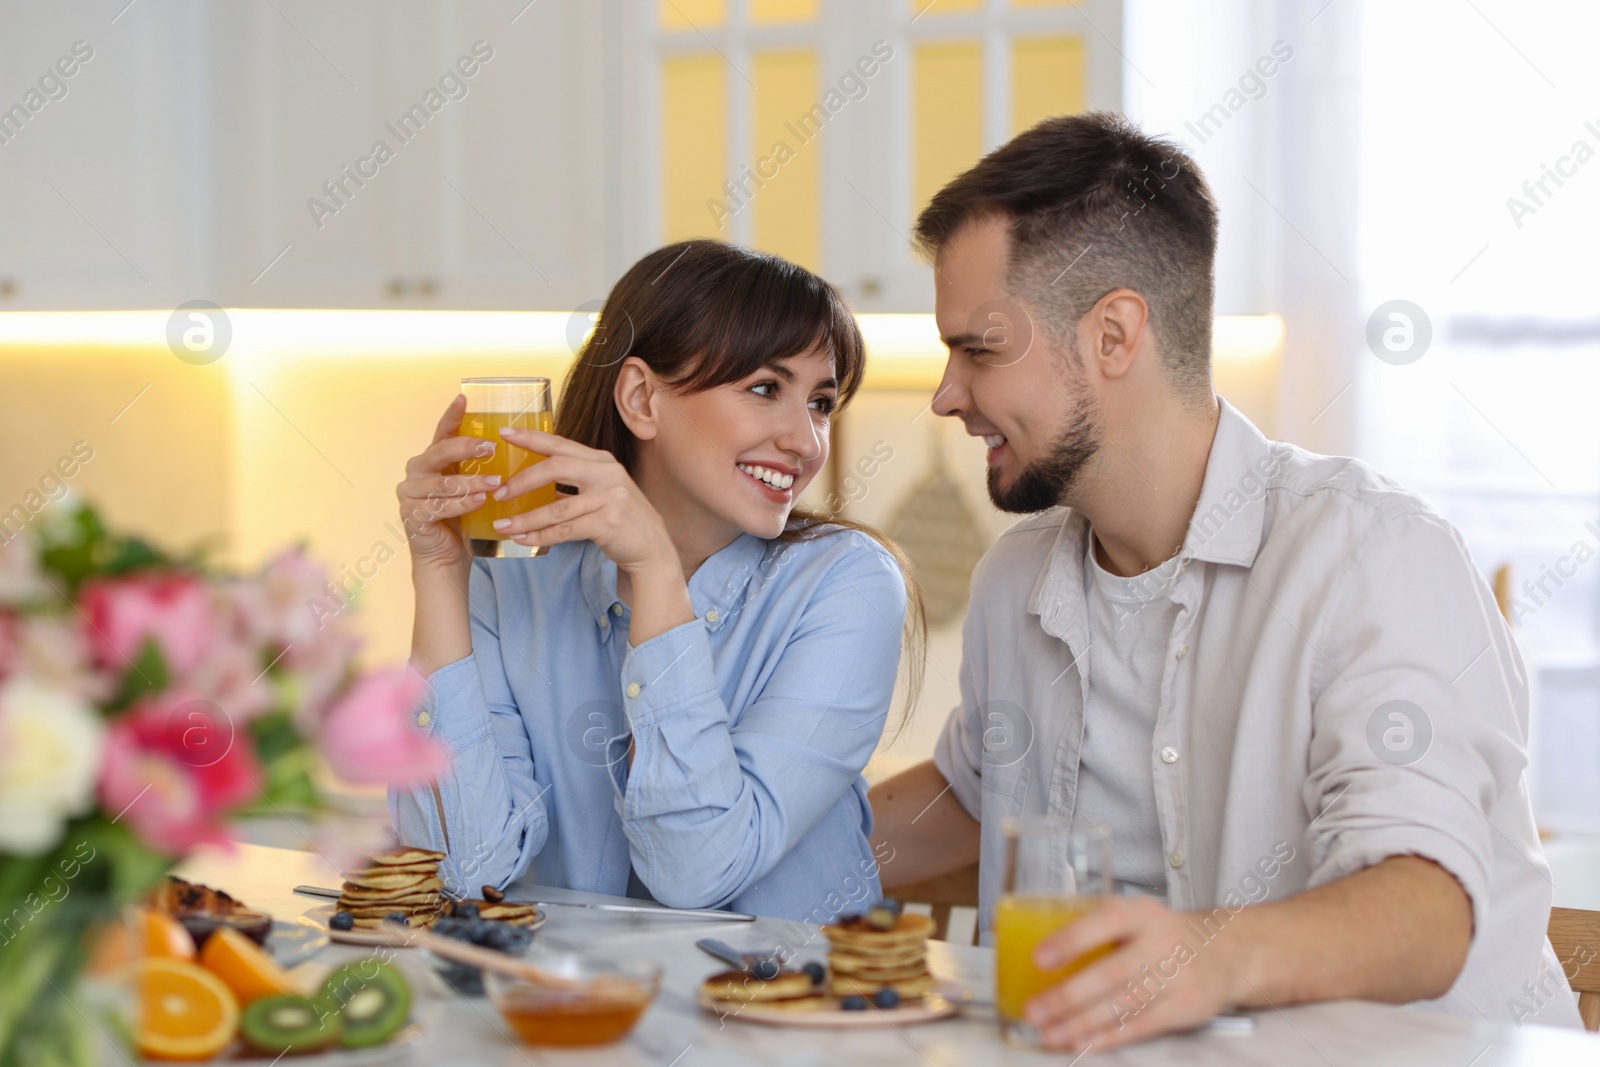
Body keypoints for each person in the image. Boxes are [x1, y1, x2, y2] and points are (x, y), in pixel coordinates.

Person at [868, 112, 1581, 1050]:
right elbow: (970, 792)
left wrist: (1198, 957)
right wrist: (726, 840)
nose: (946, 392)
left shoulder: (1371, 555)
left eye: (980, 349)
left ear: (1115, 334)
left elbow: (1427, 907)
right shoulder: (1018, 580)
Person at [391, 240, 923, 921]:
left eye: (820, 402)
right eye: (766, 388)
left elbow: (697, 867)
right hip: (579, 1016)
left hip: (788, 1018)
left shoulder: (844, 583)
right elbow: (463, 876)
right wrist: (437, 572)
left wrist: (654, 573)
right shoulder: (505, 595)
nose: (806, 441)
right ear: (642, 397)